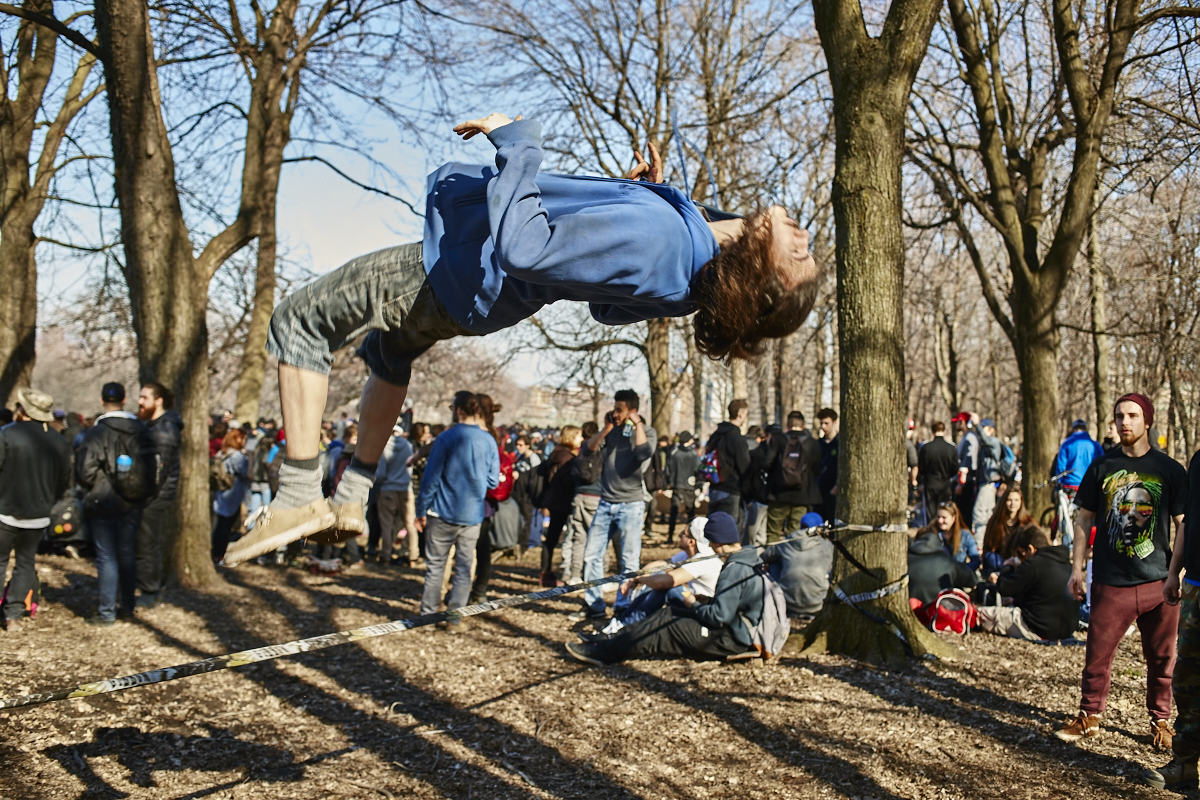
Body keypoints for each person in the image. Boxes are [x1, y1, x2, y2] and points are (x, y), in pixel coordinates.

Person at [234, 114, 819, 562]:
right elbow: (606, 306)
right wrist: (633, 197)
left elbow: (526, 248)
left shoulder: (668, 242)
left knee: (298, 321)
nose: (804, 238)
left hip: (455, 270)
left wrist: (516, 142)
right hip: (479, 303)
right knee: (388, 352)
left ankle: (296, 495)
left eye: (799, 257)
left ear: (757, 274)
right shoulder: (689, 266)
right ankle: (351, 499)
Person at [1056, 393, 1186, 749]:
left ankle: (1161, 721)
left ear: (1147, 421)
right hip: (1111, 580)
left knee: (1163, 659)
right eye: (1119, 416)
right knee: (1096, 655)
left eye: (1132, 415)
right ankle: (1089, 717)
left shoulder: (1170, 470)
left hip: (1158, 580)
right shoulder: (1102, 467)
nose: (1124, 422)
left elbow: (1183, 523)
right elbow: (1083, 518)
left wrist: (1176, 572)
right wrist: (1077, 568)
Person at [565, 512, 763, 665]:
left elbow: (719, 617)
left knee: (664, 626)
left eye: (710, 541)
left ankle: (606, 653)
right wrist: (704, 601)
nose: (709, 545)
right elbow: (733, 604)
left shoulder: (733, 568)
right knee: (666, 614)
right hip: (730, 629)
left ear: (717, 541)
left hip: (730, 639)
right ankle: (611, 641)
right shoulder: (745, 559)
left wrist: (693, 602)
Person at [415, 392, 500, 631]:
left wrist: (421, 509)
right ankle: (454, 618)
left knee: (436, 567)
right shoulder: (489, 440)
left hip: (442, 513)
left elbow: (430, 479)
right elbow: (493, 481)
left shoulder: (446, 437)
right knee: (464, 568)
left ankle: (428, 618)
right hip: (472, 515)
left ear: (459, 410)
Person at [1143, 442, 1200, 790]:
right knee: (1189, 681)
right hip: (1194, 586)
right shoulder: (1198, 462)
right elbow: (1188, 523)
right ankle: (1184, 766)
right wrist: (1173, 573)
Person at [76, 382, 156, 626]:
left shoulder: (96, 433)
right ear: (124, 400)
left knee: (106, 556)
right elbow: (152, 468)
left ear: (102, 401)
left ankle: (107, 612)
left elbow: (85, 472)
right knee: (127, 554)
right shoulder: (141, 430)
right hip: (133, 502)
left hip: (103, 501)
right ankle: (128, 606)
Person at [574, 390, 657, 622]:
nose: (614, 412)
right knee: (591, 555)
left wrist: (637, 423)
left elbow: (643, 453)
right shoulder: (612, 431)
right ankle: (594, 604)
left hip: (631, 504)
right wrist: (607, 428)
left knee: (628, 560)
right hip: (605, 502)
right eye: (614, 407)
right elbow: (587, 449)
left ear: (632, 411)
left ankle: (623, 605)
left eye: (619, 409)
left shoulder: (647, 432)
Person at [0, 388, 72, 631]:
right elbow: (63, 481)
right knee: (25, 562)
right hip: (38, 515)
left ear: (22, 410)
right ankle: (14, 615)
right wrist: (48, 501)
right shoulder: (59, 442)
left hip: (5, 511)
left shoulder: (6, 434)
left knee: (1, 562)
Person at [596, 515, 723, 635]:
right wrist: (635, 578)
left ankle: (625, 628)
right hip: (694, 602)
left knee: (667, 587)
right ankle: (621, 622)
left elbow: (665, 582)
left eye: (683, 533)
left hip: (704, 610)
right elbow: (662, 564)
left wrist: (640, 578)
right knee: (658, 578)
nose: (679, 535)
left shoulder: (703, 560)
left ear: (691, 542)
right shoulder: (690, 555)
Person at [978, 525, 1079, 641]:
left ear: (1030, 549)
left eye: (1021, 554)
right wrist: (1017, 600)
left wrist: (1008, 567)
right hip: (1066, 630)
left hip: (1038, 629)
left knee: (982, 614)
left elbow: (1004, 588)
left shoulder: (1033, 564)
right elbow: (1045, 595)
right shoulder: (1066, 563)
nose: (1021, 559)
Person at [134, 381, 182, 607]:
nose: (140, 401)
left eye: (145, 397)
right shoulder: (153, 426)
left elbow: (158, 471)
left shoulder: (164, 430)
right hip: (150, 494)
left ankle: (150, 591)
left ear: (158, 401)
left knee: (147, 543)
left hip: (156, 495)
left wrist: (145, 494)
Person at [759, 411, 822, 544]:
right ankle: (792, 561)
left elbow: (766, 463)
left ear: (787, 425)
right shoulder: (811, 443)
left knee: (773, 533)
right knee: (796, 533)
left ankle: (772, 561)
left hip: (778, 495)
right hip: (802, 496)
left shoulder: (778, 440)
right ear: (803, 425)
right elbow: (817, 468)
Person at [762, 510, 833, 620]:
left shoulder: (787, 542)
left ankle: (777, 596)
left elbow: (764, 557)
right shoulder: (828, 546)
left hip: (787, 602)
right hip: (817, 603)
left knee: (775, 561)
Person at [537, 425, 583, 587]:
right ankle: (546, 572)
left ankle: (547, 571)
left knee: (552, 537)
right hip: (561, 501)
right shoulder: (566, 457)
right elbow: (568, 481)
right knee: (553, 538)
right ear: (571, 438)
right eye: (579, 436)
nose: (582, 440)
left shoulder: (559, 453)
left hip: (556, 500)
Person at [561, 420, 602, 585]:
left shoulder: (580, 452)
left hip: (579, 496)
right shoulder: (601, 449)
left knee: (579, 538)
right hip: (597, 497)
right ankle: (596, 575)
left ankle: (575, 574)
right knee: (599, 538)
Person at [1053, 419, 1104, 547]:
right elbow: (1102, 466)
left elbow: (1061, 468)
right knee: (1089, 518)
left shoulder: (1067, 444)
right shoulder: (1095, 445)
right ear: (1086, 429)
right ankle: (1089, 546)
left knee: (1067, 518)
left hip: (1070, 486)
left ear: (1073, 429)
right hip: (1089, 487)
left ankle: (1067, 548)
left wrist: (1057, 486)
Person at [704, 399, 752, 525]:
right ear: (740, 414)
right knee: (729, 533)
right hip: (731, 490)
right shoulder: (737, 439)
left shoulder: (716, 435)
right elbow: (745, 468)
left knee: (713, 531)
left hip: (714, 487)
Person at [908, 526, 978, 610]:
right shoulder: (948, 561)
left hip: (911, 610)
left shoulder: (905, 561)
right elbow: (971, 580)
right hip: (939, 613)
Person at [373, 421, 413, 565]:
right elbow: (410, 468)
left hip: (387, 489)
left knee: (387, 525)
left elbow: (381, 473)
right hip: (405, 488)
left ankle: (386, 557)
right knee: (410, 523)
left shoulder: (384, 446)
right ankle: (413, 556)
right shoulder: (408, 446)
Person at [211, 428, 250, 563]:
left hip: (220, 492)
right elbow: (244, 472)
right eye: (243, 439)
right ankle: (220, 554)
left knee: (220, 524)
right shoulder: (237, 456)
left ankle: (215, 552)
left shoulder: (222, 452)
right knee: (226, 527)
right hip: (232, 493)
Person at [980, 486, 1034, 576]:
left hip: (1022, 562)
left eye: (1016, 500)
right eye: (1009, 500)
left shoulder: (1028, 522)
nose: (1013, 503)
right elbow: (987, 547)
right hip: (1000, 562)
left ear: (1021, 501)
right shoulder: (995, 521)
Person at [918, 421, 959, 524]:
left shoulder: (926, 448)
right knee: (944, 510)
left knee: (930, 512)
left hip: (930, 483)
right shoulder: (951, 448)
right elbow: (955, 468)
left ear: (932, 431)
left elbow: (921, 467)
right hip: (944, 484)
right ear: (944, 431)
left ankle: (932, 532)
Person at [664, 431, 700, 543]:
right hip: (690, 486)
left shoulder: (674, 452)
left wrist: (666, 484)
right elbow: (698, 470)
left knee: (674, 512)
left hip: (677, 486)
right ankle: (692, 537)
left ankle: (670, 536)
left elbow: (667, 469)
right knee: (690, 513)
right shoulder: (693, 453)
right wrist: (698, 484)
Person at [929, 501, 980, 572]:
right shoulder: (933, 534)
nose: (940, 521)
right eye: (938, 517)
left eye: (944, 517)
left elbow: (976, 561)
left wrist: (963, 571)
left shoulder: (966, 536)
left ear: (953, 518)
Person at [952, 412, 981, 527]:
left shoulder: (970, 438)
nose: (955, 425)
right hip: (963, 482)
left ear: (963, 422)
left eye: (957, 422)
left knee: (964, 515)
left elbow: (969, 462)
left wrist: (961, 483)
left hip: (965, 483)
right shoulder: (966, 437)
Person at [816, 408, 839, 523]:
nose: (823, 427)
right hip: (819, 492)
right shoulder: (818, 444)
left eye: (826, 423)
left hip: (833, 493)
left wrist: (836, 487)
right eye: (821, 423)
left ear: (834, 422)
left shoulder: (840, 444)